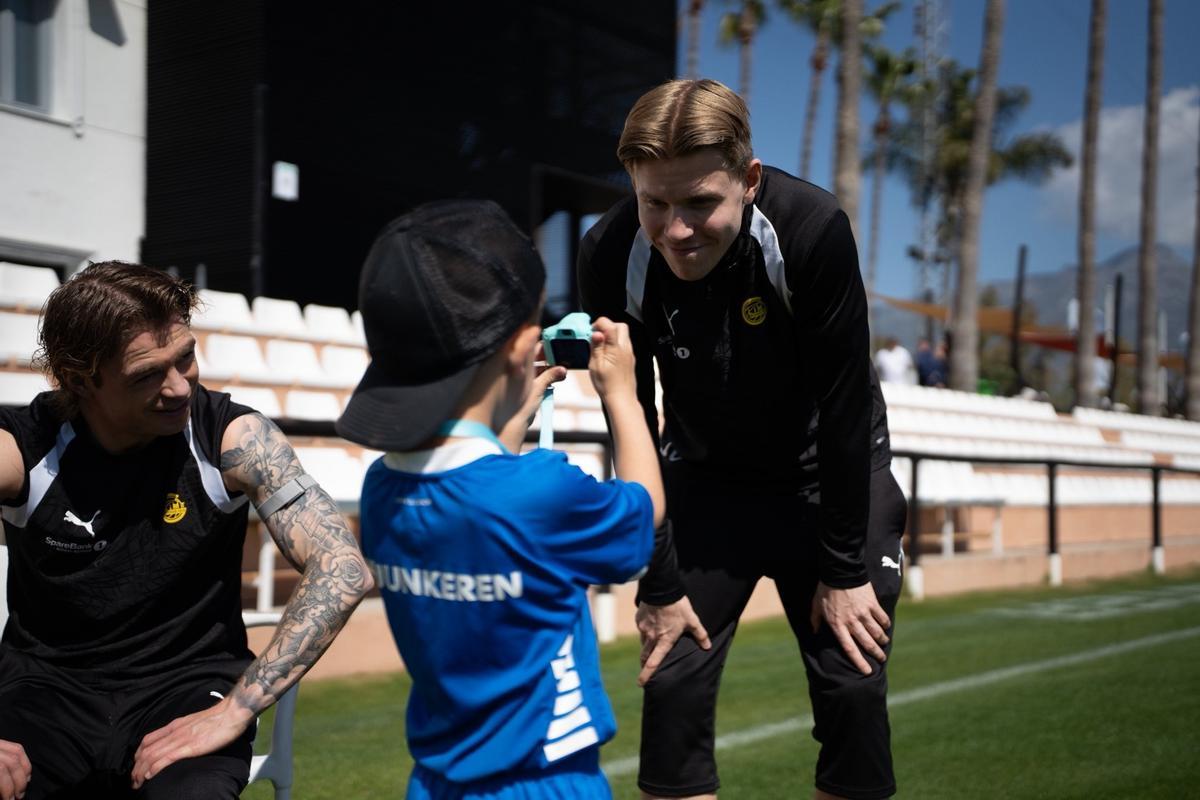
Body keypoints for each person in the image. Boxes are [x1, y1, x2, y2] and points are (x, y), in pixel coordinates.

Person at [578, 79, 907, 800]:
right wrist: (659, 585)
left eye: (700, 202)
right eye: (653, 204)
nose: (675, 230)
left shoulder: (811, 229)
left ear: (749, 180)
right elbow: (628, 419)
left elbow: (848, 407)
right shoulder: (609, 254)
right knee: (671, 684)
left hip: (827, 478)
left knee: (852, 689)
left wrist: (846, 569)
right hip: (708, 484)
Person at [0, 262, 373, 800]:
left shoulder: (228, 436)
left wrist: (236, 710)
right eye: (148, 374)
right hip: (44, 694)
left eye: (186, 358)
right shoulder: (24, 447)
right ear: (82, 379)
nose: (179, 387)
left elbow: (342, 568)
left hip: (186, 690)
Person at [335, 199, 663, 799]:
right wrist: (624, 394)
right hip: (547, 779)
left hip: (436, 782)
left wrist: (506, 423)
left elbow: (469, 491)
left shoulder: (382, 488)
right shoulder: (540, 489)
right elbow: (642, 513)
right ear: (522, 348)